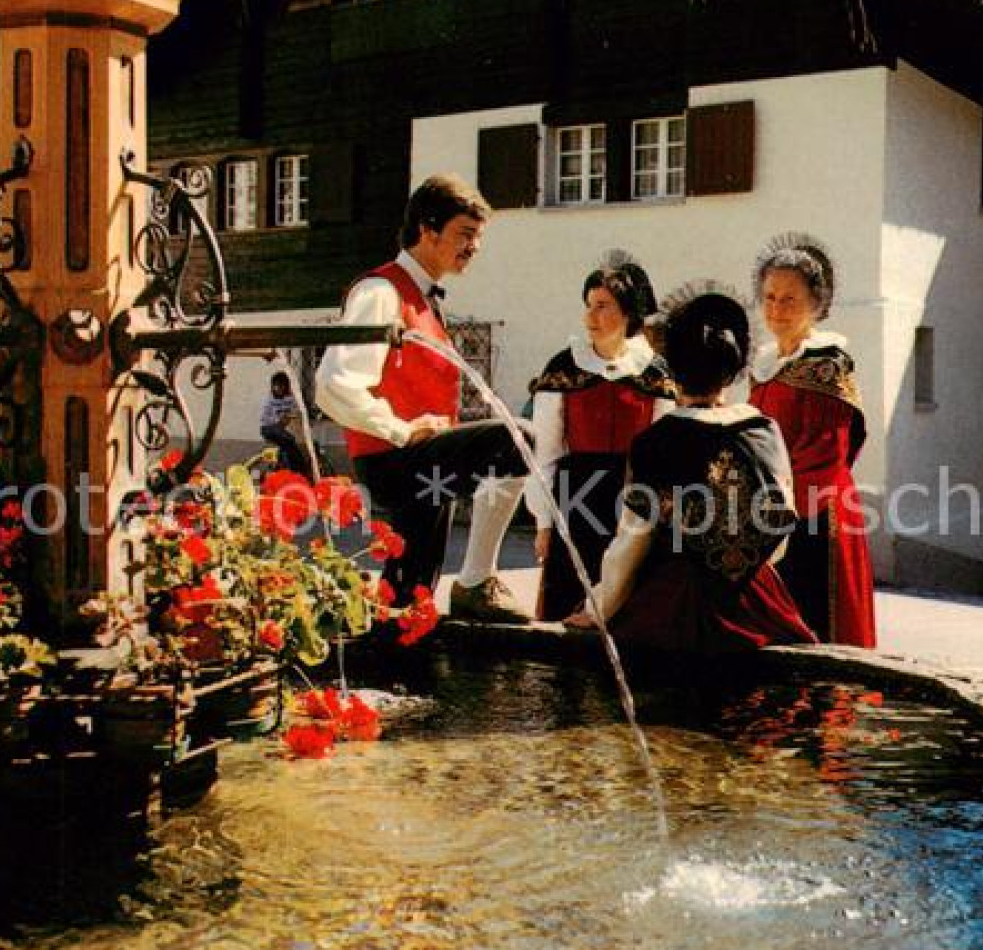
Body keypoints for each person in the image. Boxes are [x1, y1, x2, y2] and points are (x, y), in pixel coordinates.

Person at [317, 173, 532, 622]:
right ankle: (475, 581)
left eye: (478, 236)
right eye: (466, 234)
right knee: (518, 439)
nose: (475, 246)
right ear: (428, 229)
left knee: (410, 597)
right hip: (397, 459)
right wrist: (399, 429)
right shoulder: (380, 292)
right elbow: (332, 385)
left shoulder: (421, 297)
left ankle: (388, 671)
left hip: (420, 462)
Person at [564, 289, 815, 654]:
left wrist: (598, 608)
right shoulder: (764, 431)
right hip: (755, 598)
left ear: (672, 369)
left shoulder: (657, 440)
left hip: (677, 601)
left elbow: (633, 542)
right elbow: (778, 528)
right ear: (733, 370)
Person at [525, 255, 675, 621]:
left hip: (632, 500)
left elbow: (664, 452)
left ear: (627, 314)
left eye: (602, 306)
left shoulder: (653, 373)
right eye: (589, 306)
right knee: (567, 602)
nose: (590, 316)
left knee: (628, 604)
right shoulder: (563, 367)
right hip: (574, 498)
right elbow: (545, 451)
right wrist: (544, 523)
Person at [747, 235, 876, 647]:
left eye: (789, 299)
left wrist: (769, 520)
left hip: (816, 517)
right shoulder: (765, 366)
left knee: (817, 629)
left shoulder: (826, 366)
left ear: (816, 304)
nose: (776, 309)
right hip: (772, 513)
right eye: (769, 297)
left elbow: (824, 457)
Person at [259, 370, 310, 477]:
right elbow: (267, 419)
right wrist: (280, 420)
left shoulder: (290, 399)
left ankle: (287, 467)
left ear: (286, 386)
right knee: (289, 439)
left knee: (287, 444)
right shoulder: (269, 401)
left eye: (281, 386)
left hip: (280, 428)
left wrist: (295, 415)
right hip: (268, 428)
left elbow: (296, 410)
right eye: (275, 386)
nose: (278, 388)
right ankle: (300, 469)